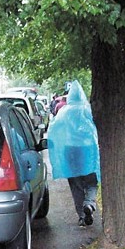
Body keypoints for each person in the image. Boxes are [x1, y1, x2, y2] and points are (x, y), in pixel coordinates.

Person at [47, 81, 100, 227]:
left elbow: (54, 130)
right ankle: (89, 203)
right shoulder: (88, 110)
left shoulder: (64, 112)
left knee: (76, 184)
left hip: (70, 151)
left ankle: (82, 216)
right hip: (88, 150)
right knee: (91, 181)